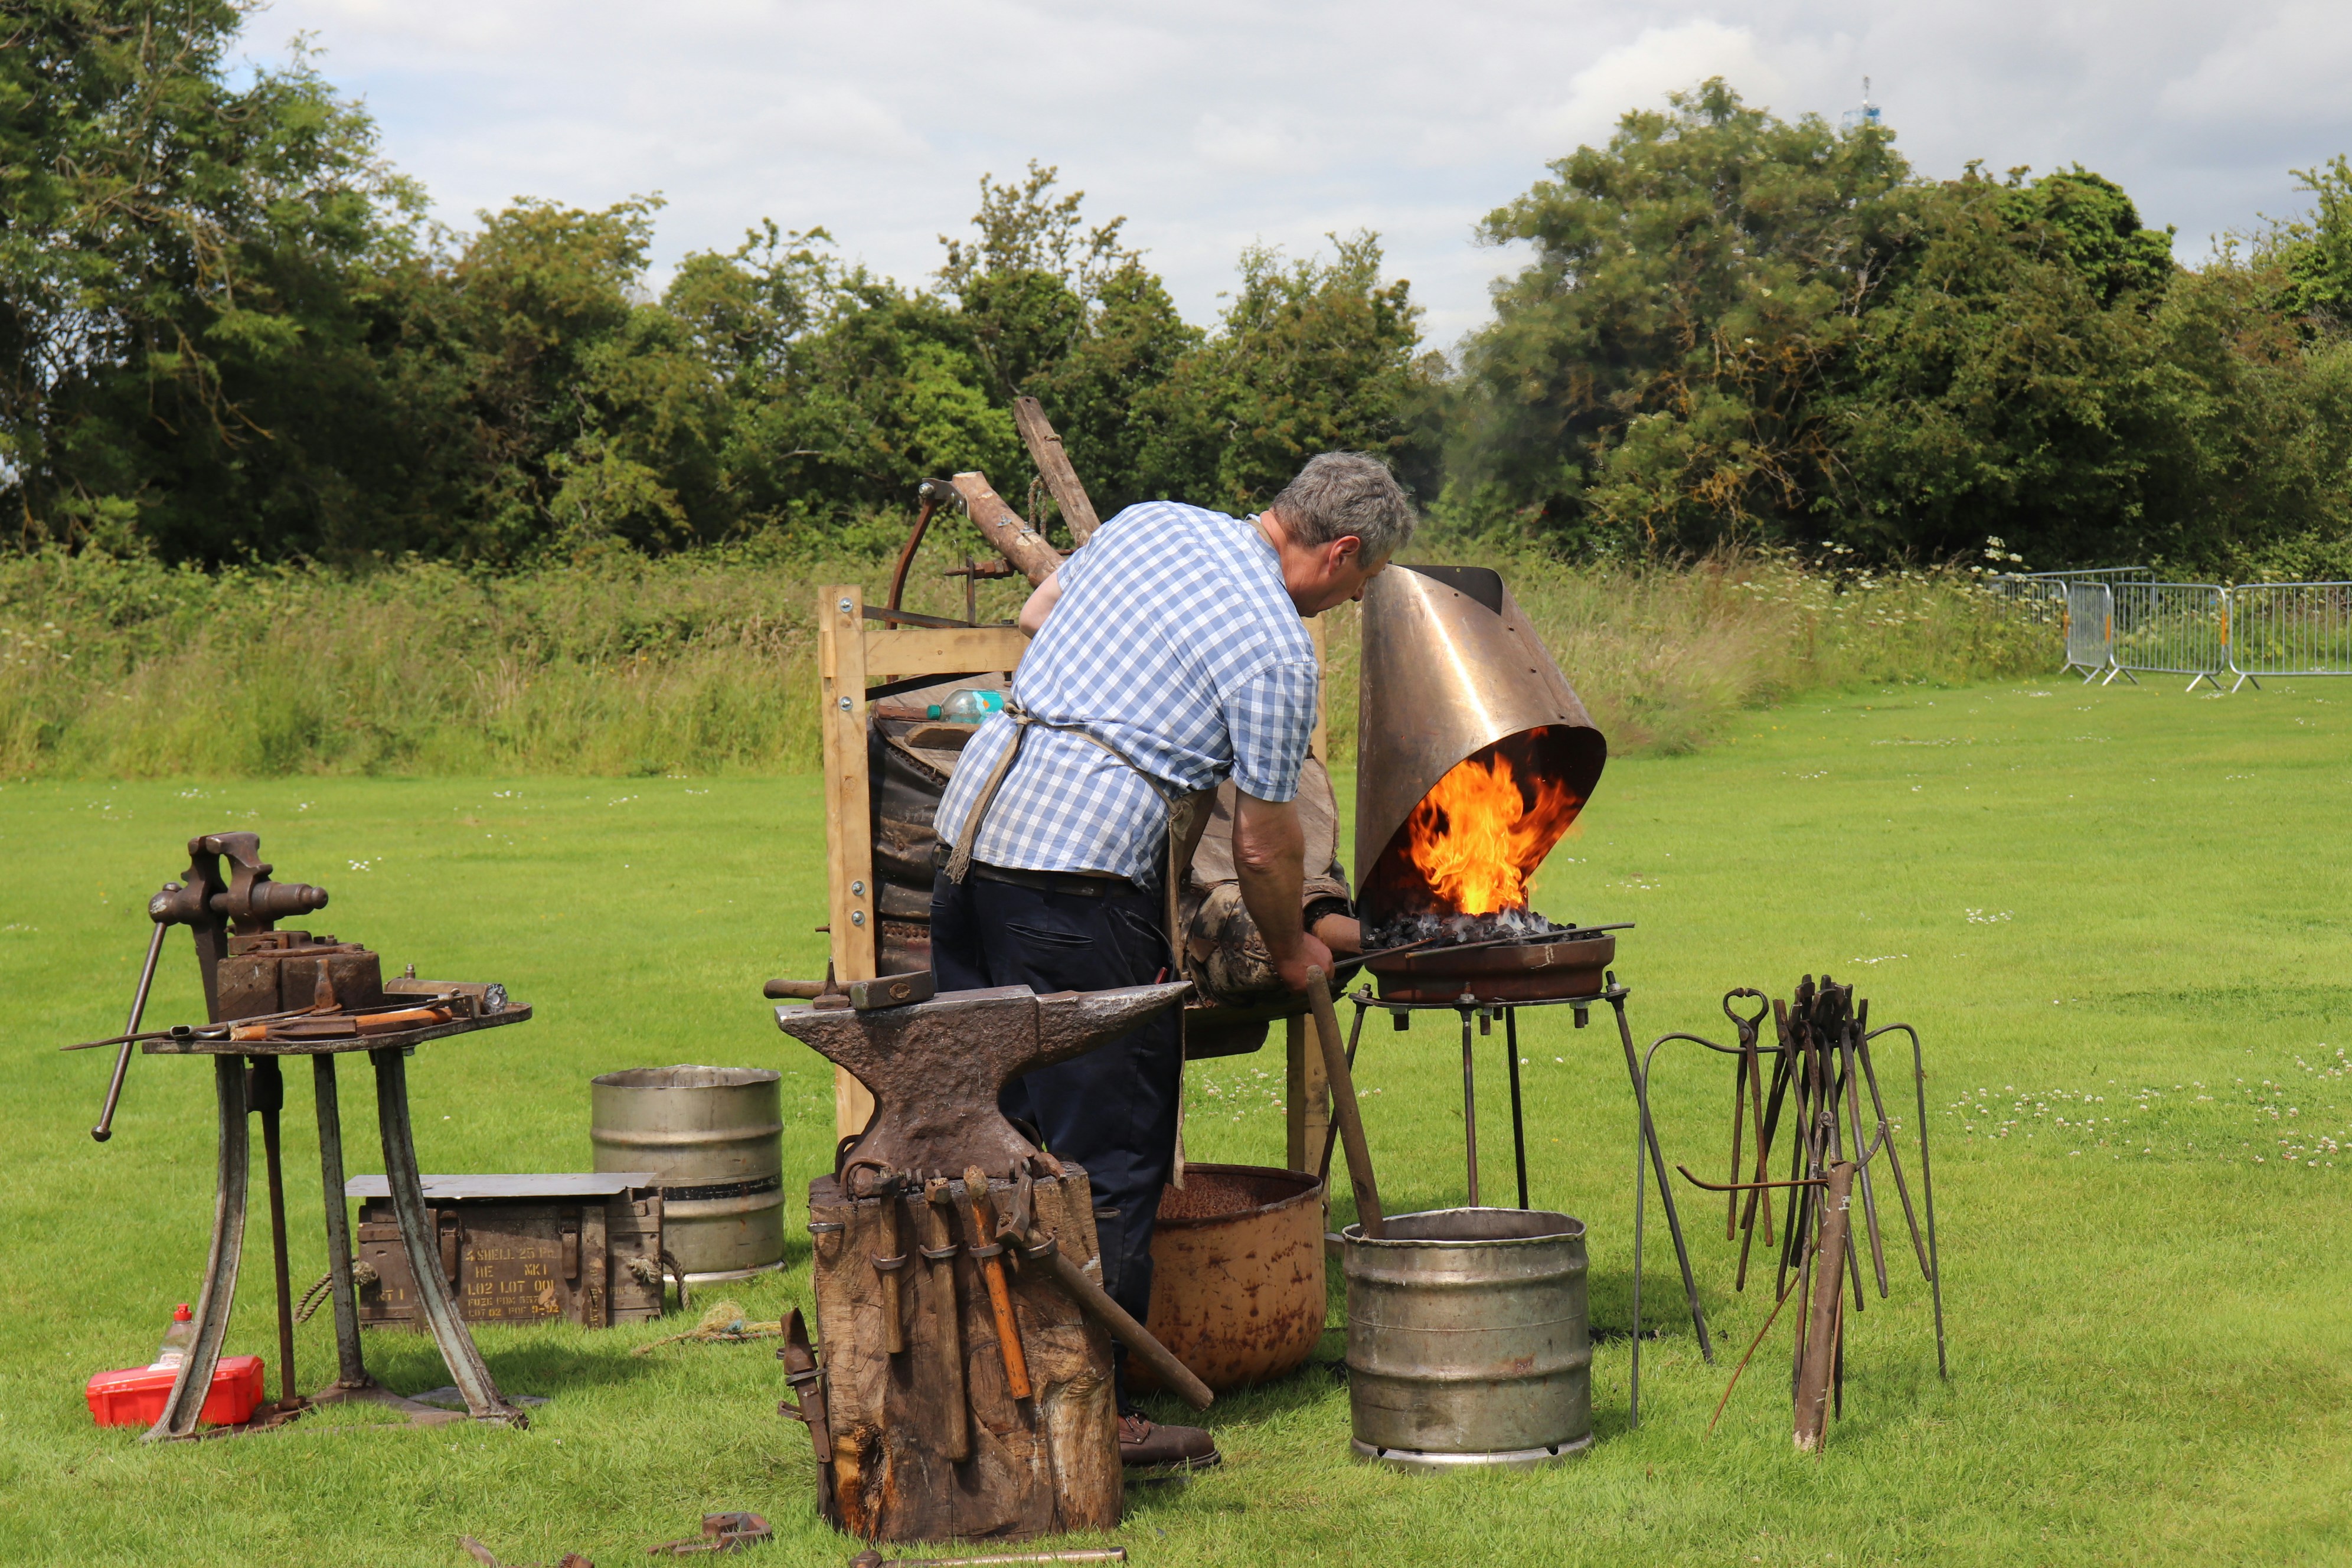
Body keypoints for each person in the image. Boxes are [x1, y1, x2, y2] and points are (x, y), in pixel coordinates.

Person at [929, 452, 1414, 1469]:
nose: (1346, 603)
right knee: (1109, 1158)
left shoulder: (1156, 520)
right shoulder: (1278, 649)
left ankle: (977, 1392)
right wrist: (1289, 951)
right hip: (1078, 880)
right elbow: (1264, 846)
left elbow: (1037, 618)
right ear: (1340, 551)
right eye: (1358, 587)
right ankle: (1087, 1423)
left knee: (990, 1131)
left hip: (971, 841)